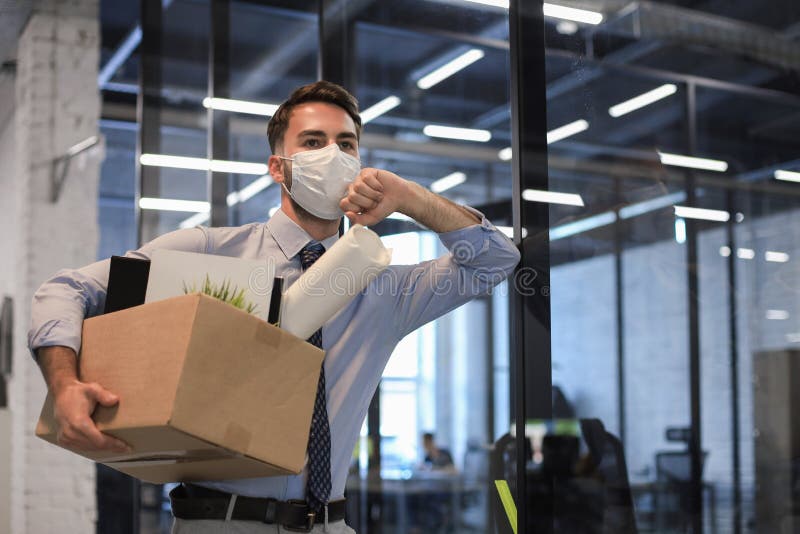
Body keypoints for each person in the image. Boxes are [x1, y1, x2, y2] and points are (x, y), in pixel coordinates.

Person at [28, 80, 521, 533]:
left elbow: (495, 260)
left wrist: (410, 197)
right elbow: (67, 289)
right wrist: (64, 383)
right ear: (277, 166)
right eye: (312, 142)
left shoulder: (381, 288)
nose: (333, 155)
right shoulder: (211, 250)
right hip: (218, 524)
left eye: (346, 144)